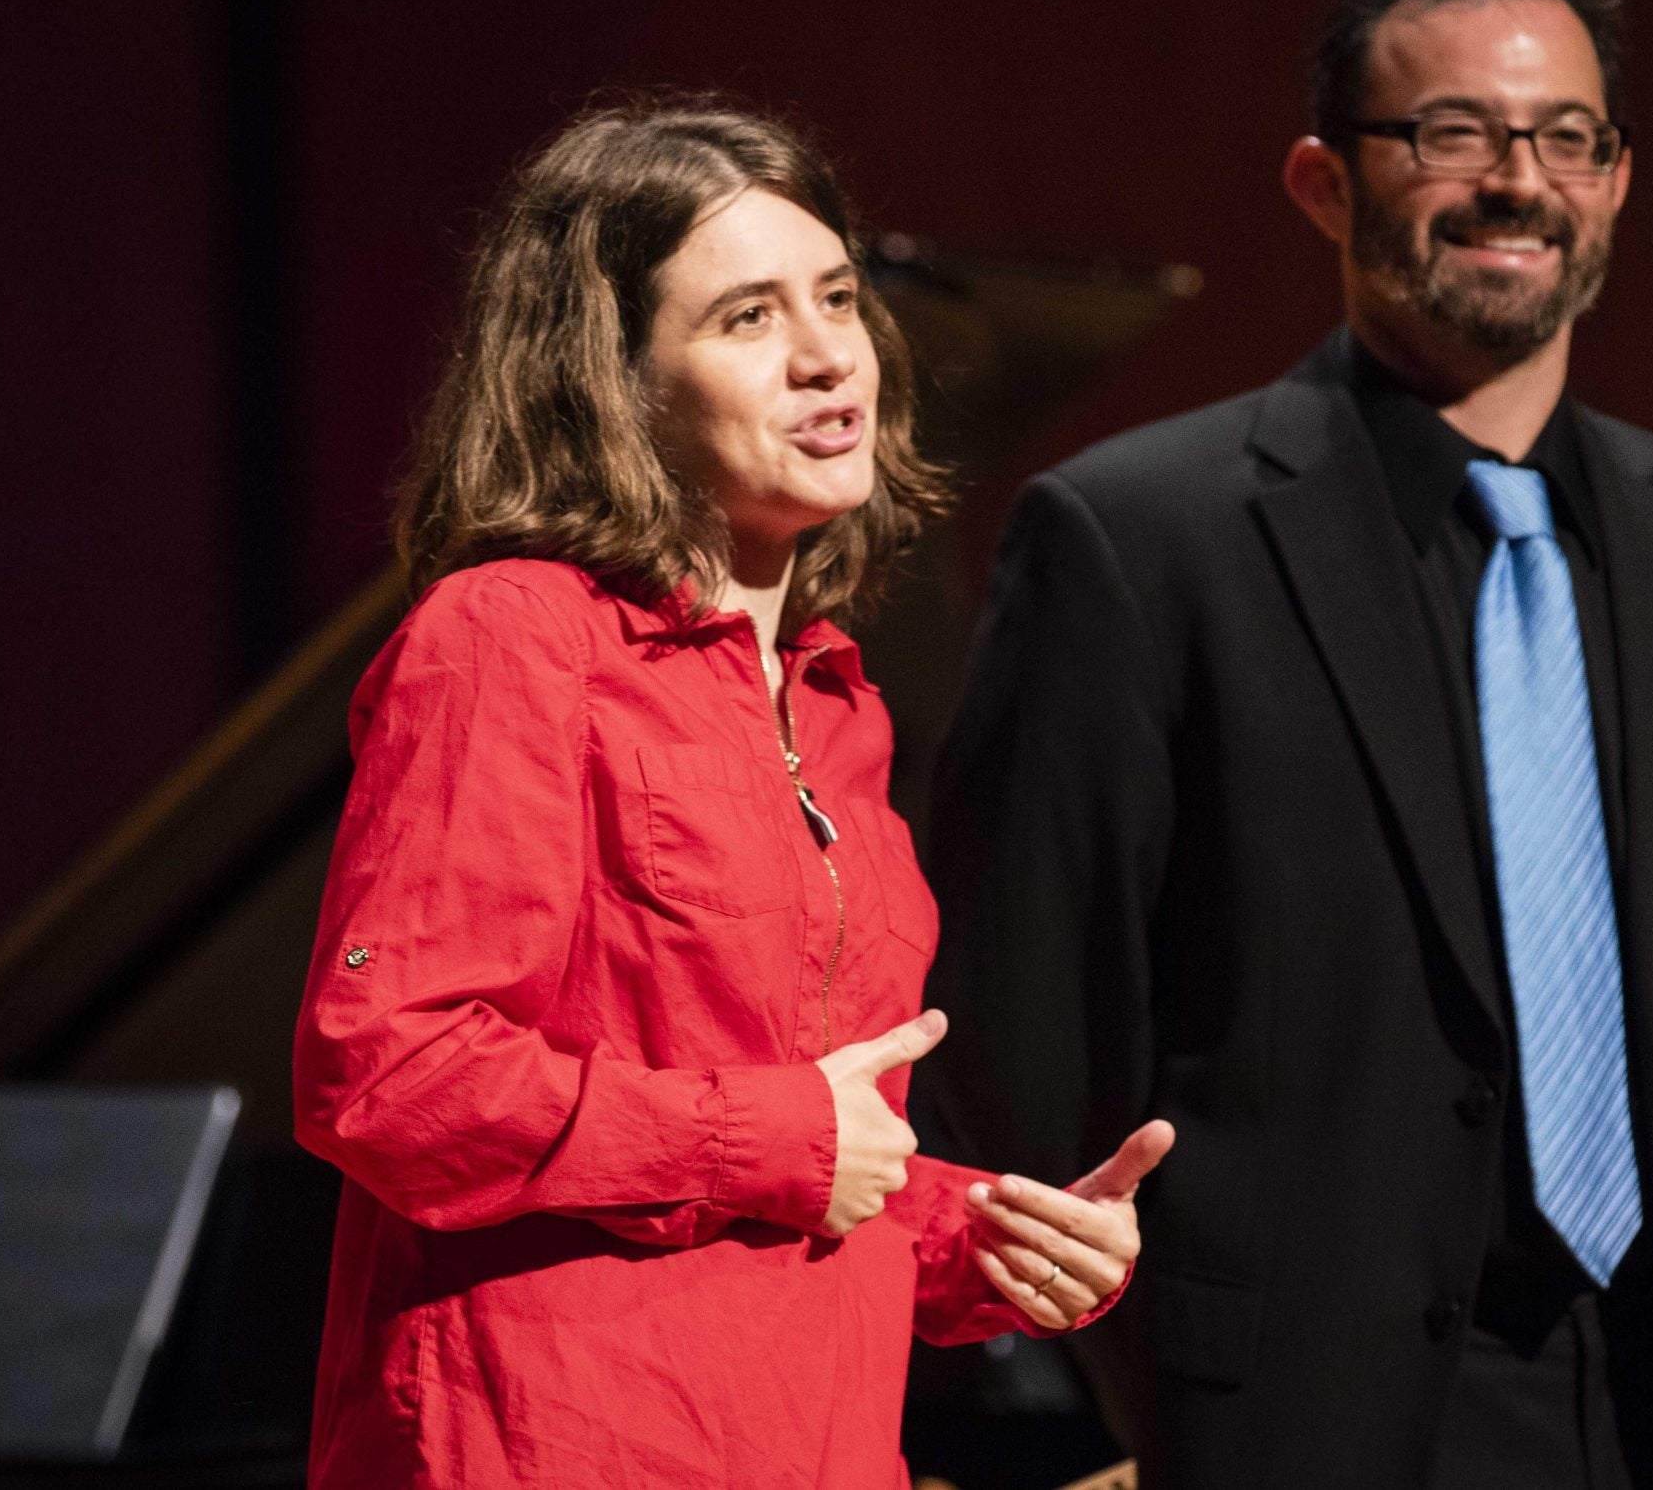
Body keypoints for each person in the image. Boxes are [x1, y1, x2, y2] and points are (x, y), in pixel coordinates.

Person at [926, 0, 1653, 1489]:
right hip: (1301, 1419)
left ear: (1617, 179)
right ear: (1324, 182)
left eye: (1567, 136)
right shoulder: (1139, 540)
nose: (1517, 179)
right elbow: (1030, 1056)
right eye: (1451, 133)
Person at [291, 94, 1173, 1490]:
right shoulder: (512, 635)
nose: (833, 356)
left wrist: (986, 1238)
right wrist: (779, 1137)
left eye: (836, 297)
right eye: (748, 318)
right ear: (613, 379)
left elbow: (819, 1153)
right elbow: (390, 1078)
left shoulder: (834, 699)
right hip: (555, 1445)